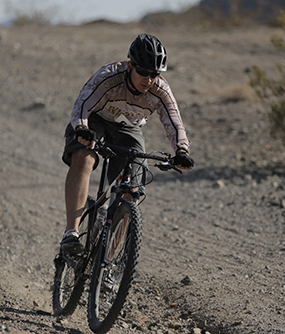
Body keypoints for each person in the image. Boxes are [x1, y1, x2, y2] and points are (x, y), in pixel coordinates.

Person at [60, 33, 194, 254]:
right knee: (84, 157)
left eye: (154, 74)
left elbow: (174, 121)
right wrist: (82, 128)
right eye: (142, 71)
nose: (148, 79)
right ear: (130, 65)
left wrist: (181, 149)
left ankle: (109, 262)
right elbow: (82, 104)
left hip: (129, 128)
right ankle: (71, 234)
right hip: (95, 119)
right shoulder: (109, 76)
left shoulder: (160, 90)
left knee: (131, 189)